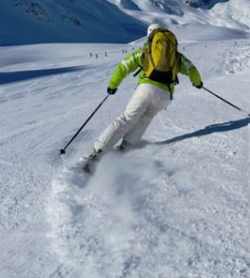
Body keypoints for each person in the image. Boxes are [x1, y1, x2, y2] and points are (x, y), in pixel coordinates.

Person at [81, 24, 203, 171]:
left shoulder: (144, 52)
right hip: (164, 95)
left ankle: (97, 154)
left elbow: (123, 66)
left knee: (126, 119)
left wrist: (113, 85)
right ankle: (125, 150)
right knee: (144, 119)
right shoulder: (176, 56)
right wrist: (197, 82)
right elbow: (191, 69)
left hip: (146, 89)